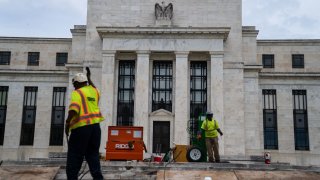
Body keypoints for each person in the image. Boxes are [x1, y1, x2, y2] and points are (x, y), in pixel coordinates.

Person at [65, 67, 104, 180]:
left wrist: (67, 123)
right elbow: (92, 86)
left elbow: (74, 109)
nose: (74, 86)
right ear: (86, 82)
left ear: (77, 83)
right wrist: (89, 77)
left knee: (74, 158)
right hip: (95, 130)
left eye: (74, 84)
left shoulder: (77, 92)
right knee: (93, 157)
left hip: (81, 129)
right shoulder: (95, 91)